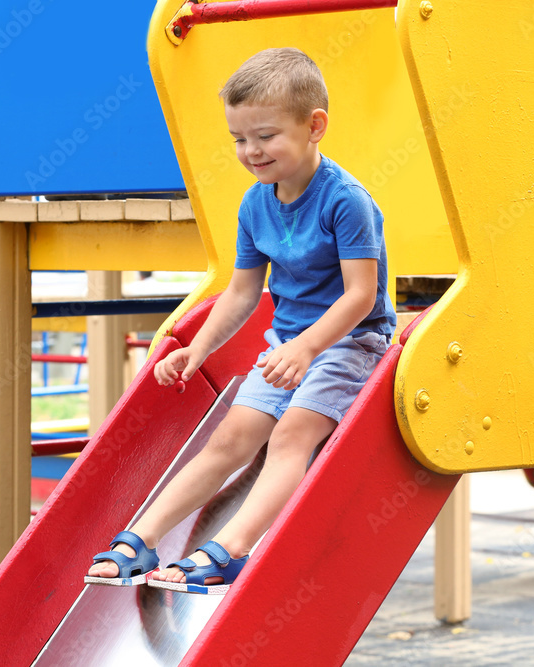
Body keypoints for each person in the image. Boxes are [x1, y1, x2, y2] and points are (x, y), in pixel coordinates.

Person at [85, 47, 396, 593]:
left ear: (314, 125)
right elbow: (241, 292)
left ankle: (230, 549)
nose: (251, 151)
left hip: (352, 341)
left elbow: (360, 296)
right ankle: (141, 539)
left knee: (292, 434)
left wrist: (304, 350)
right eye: (239, 139)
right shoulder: (255, 205)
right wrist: (197, 349)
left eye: (266, 136)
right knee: (230, 439)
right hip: (288, 345)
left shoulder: (346, 201)